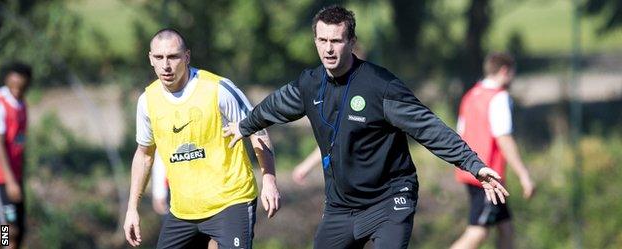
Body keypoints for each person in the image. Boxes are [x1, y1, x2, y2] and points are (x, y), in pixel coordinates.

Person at [223, 5, 509, 249]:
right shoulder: (309, 83)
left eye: (336, 40)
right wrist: (245, 125)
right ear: (315, 41)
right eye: (322, 40)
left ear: (351, 41)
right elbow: (276, 105)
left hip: (390, 199)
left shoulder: (380, 87)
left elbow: (428, 127)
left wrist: (474, 165)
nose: (328, 48)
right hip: (340, 206)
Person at [123, 28, 281, 249]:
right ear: (150, 59)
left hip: (230, 202)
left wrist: (270, 180)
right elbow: (144, 155)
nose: (166, 65)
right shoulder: (147, 101)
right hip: (183, 211)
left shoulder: (218, 89)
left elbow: (258, 130)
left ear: (186, 57)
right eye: (159, 57)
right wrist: (132, 209)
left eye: (173, 57)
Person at [450, 52, 535, 249]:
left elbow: (459, 132)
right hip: (487, 176)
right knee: (478, 231)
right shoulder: (499, 98)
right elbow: (503, 138)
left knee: (506, 228)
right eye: (513, 72)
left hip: (469, 170)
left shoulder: (471, 95)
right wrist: (524, 175)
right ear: (505, 71)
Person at [150, 152, 218, 249]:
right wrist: (158, 191)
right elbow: (160, 152)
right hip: (176, 190)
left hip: (208, 186)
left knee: (211, 237)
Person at [0, 62, 31, 249]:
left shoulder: (21, 105)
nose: (17, 85)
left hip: (15, 178)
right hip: (2, 180)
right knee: (7, 231)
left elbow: (19, 144)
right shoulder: (0, 103)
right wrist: (10, 181)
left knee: (18, 230)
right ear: (8, 79)